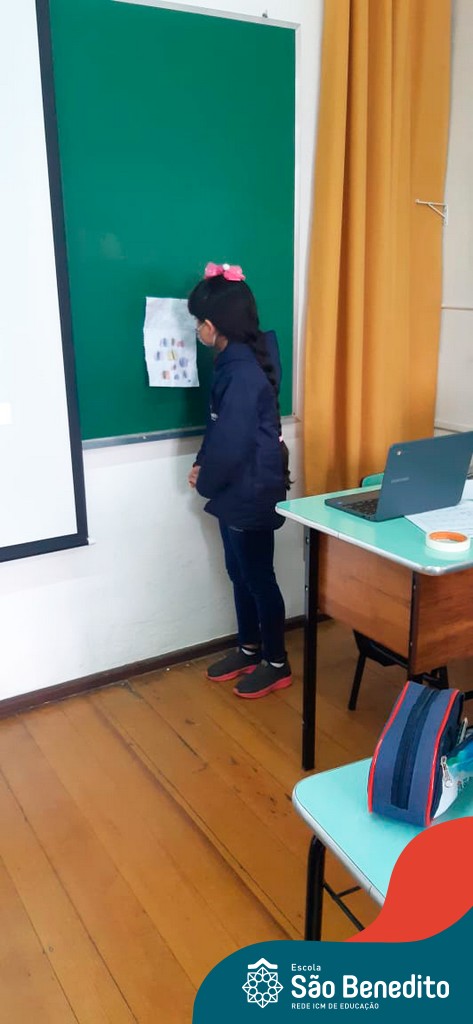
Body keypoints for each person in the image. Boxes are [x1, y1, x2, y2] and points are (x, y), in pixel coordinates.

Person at [187, 261, 292, 699]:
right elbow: (218, 427)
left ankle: (277, 662)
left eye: (198, 322)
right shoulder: (233, 362)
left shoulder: (243, 372)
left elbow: (231, 442)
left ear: (212, 326)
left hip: (251, 490)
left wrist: (205, 480)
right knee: (239, 571)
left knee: (258, 576)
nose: (197, 330)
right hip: (236, 487)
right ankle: (249, 648)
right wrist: (202, 462)